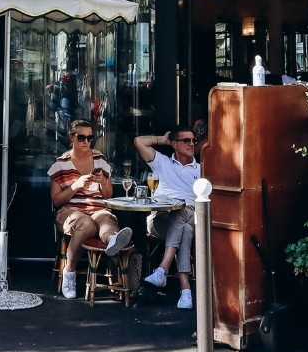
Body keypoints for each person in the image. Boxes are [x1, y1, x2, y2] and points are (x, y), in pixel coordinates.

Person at [49, 118, 130, 300]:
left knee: (106, 220)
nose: (86, 142)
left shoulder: (100, 159)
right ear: (72, 137)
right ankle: (69, 271)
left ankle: (112, 241)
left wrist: (103, 183)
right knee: (86, 224)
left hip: (97, 207)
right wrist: (75, 186)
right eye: (81, 137)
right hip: (70, 211)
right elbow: (56, 201)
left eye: (90, 138)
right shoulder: (60, 163)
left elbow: (108, 195)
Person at [134, 126, 201, 309]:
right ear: (174, 144)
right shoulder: (162, 163)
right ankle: (185, 290)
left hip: (189, 216)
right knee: (184, 227)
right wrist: (161, 140)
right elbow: (139, 141)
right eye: (186, 140)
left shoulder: (202, 169)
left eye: (193, 140)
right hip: (160, 219)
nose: (191, 144)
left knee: (184, 218)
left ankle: (163, 269)